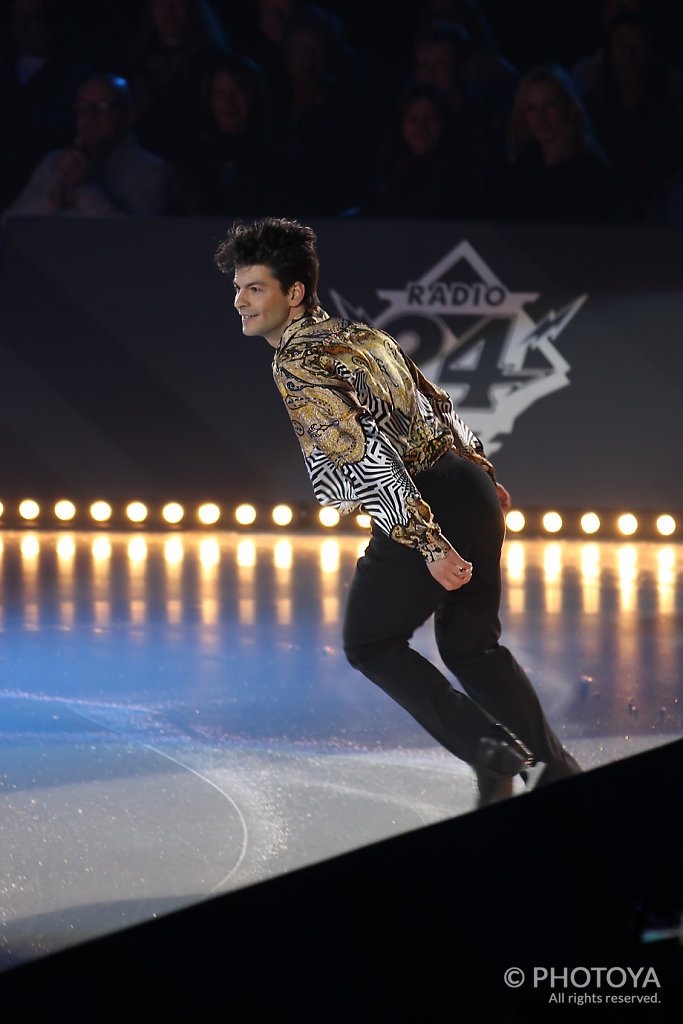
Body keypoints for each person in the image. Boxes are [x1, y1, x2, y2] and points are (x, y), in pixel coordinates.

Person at [215, 217, 581, 807]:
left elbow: (369, 457)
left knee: (370, 641)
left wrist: (430, 544)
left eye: (254, 288)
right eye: (239, 288)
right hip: (469, 489)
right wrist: (484, 474)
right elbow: (435, 401)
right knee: (472, 647)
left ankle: (492, 751)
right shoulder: (362, 336)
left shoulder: (297, 364)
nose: (240, 300)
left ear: (295, 293)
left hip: (424, 501)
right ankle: (555, 767)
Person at [2, 72, 167, 222]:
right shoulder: (54, 161)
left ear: (129, 115)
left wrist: (85, 190)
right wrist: (52, 200)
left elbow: (140, 241)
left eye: (103, 107)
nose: (90, 116)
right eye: (83, 107)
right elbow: (7, 226)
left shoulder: (150, 170)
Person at [497, 64, 614, 223]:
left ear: (569, 107)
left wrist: (555, 166)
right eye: (531, 108)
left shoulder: (592, 169)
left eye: (550, 104)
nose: (541, 116)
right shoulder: (520, 167)